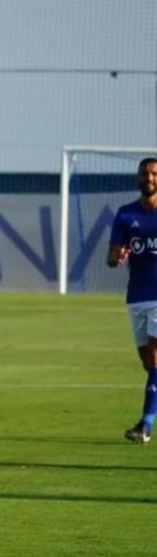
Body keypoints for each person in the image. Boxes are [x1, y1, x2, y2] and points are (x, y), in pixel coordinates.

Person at [107, 157, 157, 444]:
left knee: (154, 355)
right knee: (148, 364)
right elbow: (112, 257)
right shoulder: (126, 215)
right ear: (138, 178)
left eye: (153, 173)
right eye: (144, 173)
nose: (149, 178)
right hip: (136, 297)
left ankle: (146, 425)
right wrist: (117, 256)